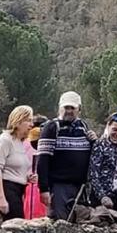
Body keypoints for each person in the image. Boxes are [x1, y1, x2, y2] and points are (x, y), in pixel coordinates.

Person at [37, 91, 97, 220]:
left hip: (80, 187)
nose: (69, 111)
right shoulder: (52, 127)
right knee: (61, 223)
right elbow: (42, 160)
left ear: (79, 109)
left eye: (72, 108)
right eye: (66, 107)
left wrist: (94, 142)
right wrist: (43, 189)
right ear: (60, 108)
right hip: (59, 187)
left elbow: (92, 155)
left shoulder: (83, 126)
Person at [0, 106, 36, 220]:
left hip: (18, 190)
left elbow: (14, 167)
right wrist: (1, 197)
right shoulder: (5, 140)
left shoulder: (19, 142)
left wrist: (27, 177)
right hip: (6, 189)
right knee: (16, 224)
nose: (31, 125)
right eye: (28, 120)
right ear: (18, 121)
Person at [87, 113, 117, 214]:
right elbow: (93, 174)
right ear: (108, 126)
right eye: (115, 129)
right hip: (104, 197)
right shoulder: (99, 145)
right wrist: (102, 196)